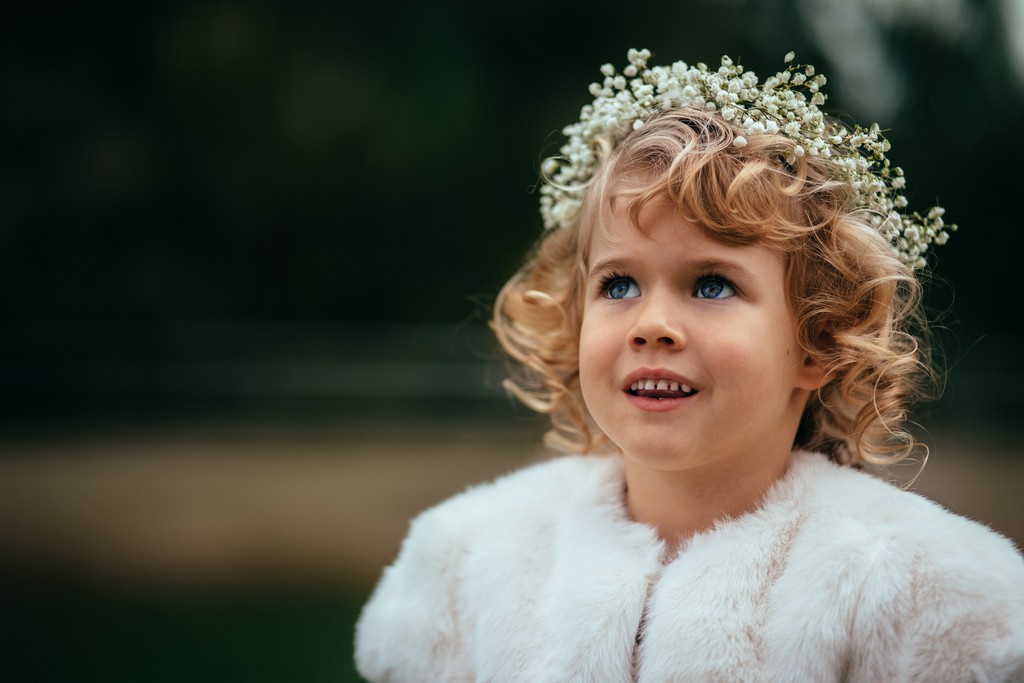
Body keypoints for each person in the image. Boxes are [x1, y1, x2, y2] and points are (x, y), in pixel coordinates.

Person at [354, 49, 1024, 682]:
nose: (651, 325)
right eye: (618, 284)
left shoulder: (928, 593)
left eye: (711, 284)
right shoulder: (464, 566)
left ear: (820, 341)